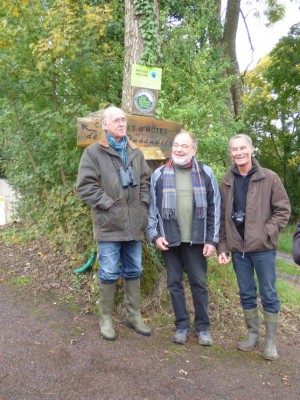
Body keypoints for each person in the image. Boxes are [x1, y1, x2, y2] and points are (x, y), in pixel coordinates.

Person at [76, 105, 152, 341]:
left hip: (134, 223)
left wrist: (143, 204)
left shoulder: (135, 152)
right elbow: (85, 187)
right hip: (109, 224)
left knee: (134, 269)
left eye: (124, 120)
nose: (122, 124)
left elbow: (146, 181)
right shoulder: (93, 153)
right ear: (105, 126)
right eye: (117, 120)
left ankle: (133, 315)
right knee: (109, 272)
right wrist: (108, 204)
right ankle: (106, 318)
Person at [218, 134, 291, 360]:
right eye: (234, 149)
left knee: (268, 293)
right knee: (246, 293)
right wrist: (222, 246)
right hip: (238, 249)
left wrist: (265, 232)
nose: (238, 153)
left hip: (263, 249)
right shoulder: (226, 180)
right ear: (230, 152)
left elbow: (283, 211)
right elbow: (221, 217)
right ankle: (252, 335)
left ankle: (270, 342)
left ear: (251, 149)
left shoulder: (269, 177)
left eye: (242, 148)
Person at [147, 130, 220, 346]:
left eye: (184, 146)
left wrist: (212, 240)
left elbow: (215, 207)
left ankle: (203, 328)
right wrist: (155, 235)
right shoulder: (159, 174)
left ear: (194, 149)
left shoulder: (206, 173)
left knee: (199, 283)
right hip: (169, 240)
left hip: (197, 240)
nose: (179, 149)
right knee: (174, 283)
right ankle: (181, 325)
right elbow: (152, 207)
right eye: (176, 145)